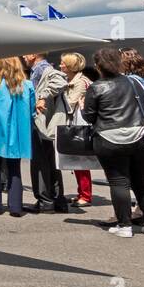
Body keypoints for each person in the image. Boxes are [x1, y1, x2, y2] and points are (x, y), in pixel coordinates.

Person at [83, 46, 144, 237]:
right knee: (142, 182)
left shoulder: (96, 87)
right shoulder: (133, 82)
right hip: (140, 136)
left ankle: (124, 225)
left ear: (98, 66)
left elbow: (89, 117)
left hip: (109, 138)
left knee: (119, 182)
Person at [0, 56, 35, 217]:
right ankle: (15, 207)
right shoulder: (27, 85)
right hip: (18, 131)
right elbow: (32, 110)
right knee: (14, 168)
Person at [23, 52, 68, 213]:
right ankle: (57, 200)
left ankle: (45, 201)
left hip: (41, 124)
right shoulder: (41, 69)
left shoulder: (42, 68)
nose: (23, 57)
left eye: (26, 54)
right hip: (46, 124)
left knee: (40, 163)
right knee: (50, 162)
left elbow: (60, 81)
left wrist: (41, 97)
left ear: (33, 55)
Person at [59, 52, 93, 207]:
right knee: (77, 162)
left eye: (63, 64)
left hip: (81, 124)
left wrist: (60, 93)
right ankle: (82, 192)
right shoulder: (73, 80)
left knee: (81, 161)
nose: (60, 65)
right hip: (77, 122)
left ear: (71, 66)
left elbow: (71, 103)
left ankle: (85, 195)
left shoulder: (80, 82)